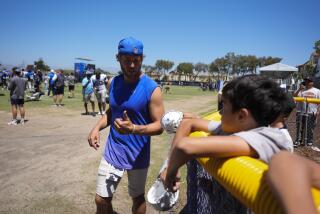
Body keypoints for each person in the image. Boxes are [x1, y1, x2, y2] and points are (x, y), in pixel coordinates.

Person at [164, 75, 294, 207]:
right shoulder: (234, 128)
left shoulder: (269, 139)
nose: (220, 112)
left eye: (224, 105)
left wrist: (170, 173)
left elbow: (185, 146)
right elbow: (188, 123)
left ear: (241, 115)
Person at [87, 37, 164, 214]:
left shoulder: (152, 89)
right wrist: (96, 128)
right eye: (127, 60)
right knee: (101, 199)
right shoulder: (112, 83)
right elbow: (111, 111)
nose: (131, 65)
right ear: (118, 59)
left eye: (136, 61)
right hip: (113, 150)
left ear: (142, 60)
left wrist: (135, 129)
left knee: (137, 198)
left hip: (137, 154)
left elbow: (160, 126)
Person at [293, 77, 320, 146]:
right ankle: (298, 140)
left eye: (309, 81)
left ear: (312, 82)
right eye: (306, 81)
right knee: (299, 127)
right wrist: (299, 89)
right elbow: (294, 96)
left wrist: (318, 111)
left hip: (312, 112)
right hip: (301, 112)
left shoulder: (317, 91)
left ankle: (309, 141)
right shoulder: (301, 90)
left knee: (310, 128)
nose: (307, 82)